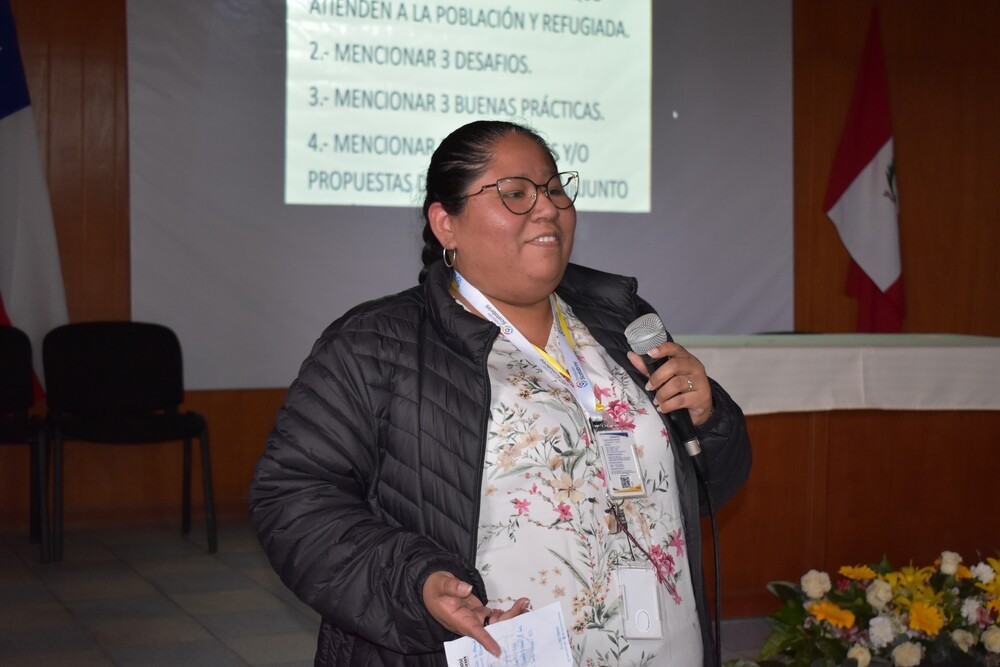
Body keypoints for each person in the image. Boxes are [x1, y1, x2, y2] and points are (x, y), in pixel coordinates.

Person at [249, 119, 751, 666]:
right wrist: (416, 581)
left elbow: (701, 488)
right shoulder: (374, 345)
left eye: (555, 189)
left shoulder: (622, 320)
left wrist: (708, 419)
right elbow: (293, 498)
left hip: (665, 645)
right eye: (515, 193)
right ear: (446, 224)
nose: (548, 208)